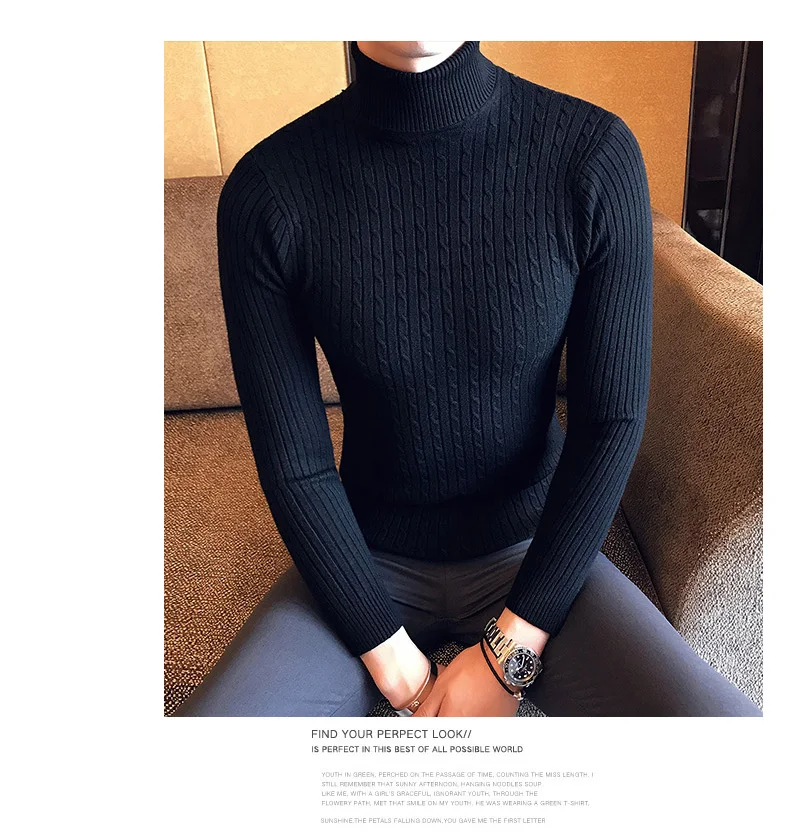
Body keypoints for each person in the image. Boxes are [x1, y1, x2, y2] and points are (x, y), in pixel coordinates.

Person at [173, 40, 762, 717]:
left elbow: (609, 423)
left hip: (536, 550)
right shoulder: (269, 191)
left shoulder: (593, 156)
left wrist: (510, 653)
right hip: (364, 555)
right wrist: (398, 668)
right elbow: (295, 465)